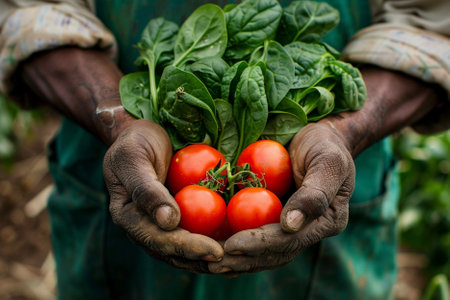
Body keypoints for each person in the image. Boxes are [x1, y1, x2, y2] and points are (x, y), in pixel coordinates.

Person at [0, 0, 449, 299]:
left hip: (329, 224)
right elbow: (32, 14)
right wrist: (120, 122)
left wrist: (343, 132)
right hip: (112, 192)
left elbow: (431, 30)